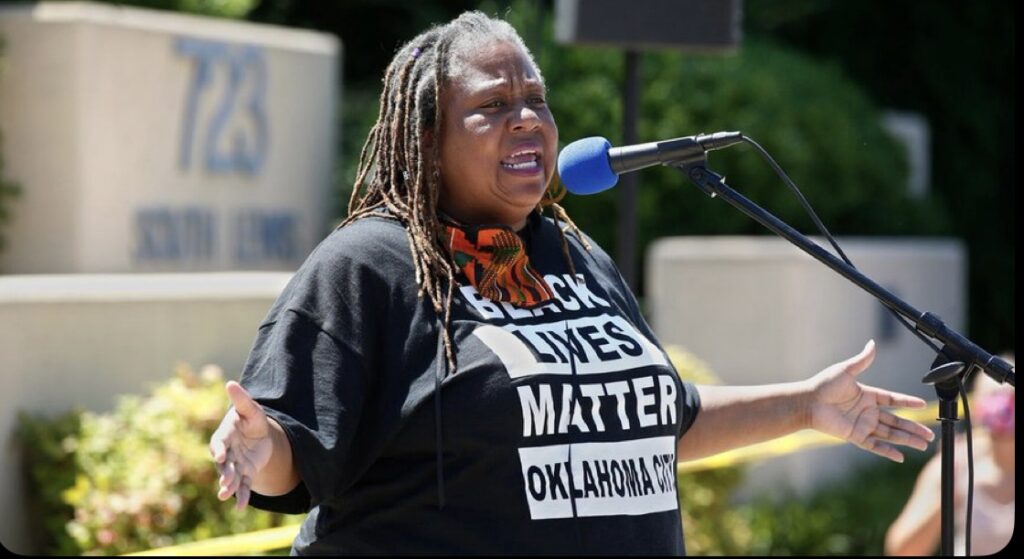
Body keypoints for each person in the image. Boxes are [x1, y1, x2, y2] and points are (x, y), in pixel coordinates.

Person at [209, 11, 935, 555]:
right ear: (427, 139)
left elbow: (658, 421)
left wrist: (804, 405)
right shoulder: (370, 265)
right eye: (493, 106)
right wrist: (260, 447)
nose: (527, 119)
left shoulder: (572, 252)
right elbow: (294, 454)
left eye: (537, 100)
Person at [885, 356, 1015, 556]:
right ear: (975, 407)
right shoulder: (956, 460)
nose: (1004, 407)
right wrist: (947, 495)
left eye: (1011, 397)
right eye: (994, 397)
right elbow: (902, 551)